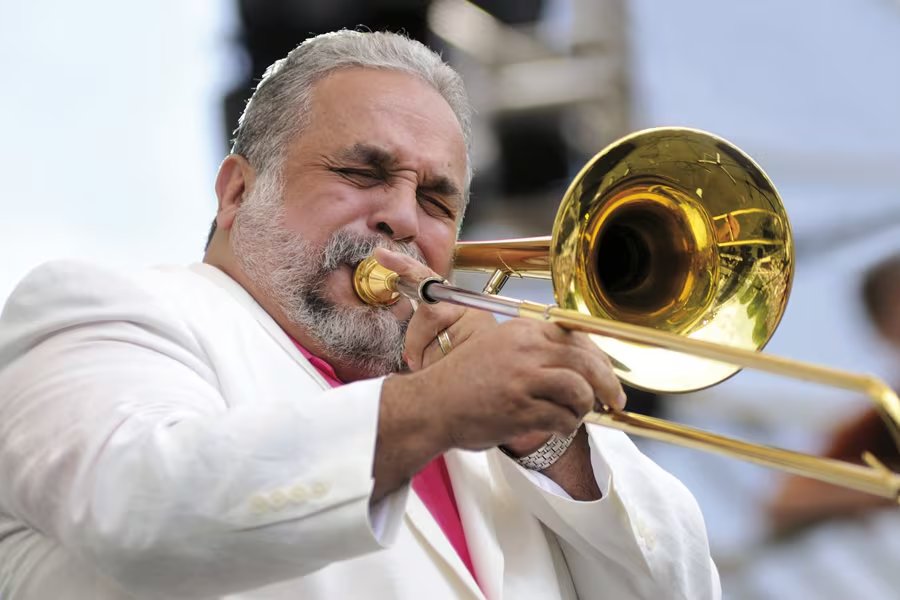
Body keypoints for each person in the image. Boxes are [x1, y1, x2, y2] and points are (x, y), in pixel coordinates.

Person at [0, 31, 719, 599]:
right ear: (237, 192)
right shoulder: (107, 310)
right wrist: (437, 407)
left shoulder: (498, 428)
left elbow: (682, 587)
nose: (402, 218)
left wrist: (553, 449)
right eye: (361, 173)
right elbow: (141, 509)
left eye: (436, 200)